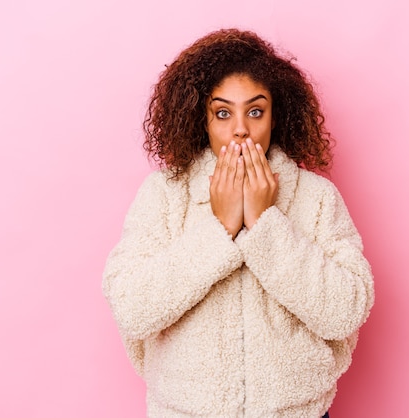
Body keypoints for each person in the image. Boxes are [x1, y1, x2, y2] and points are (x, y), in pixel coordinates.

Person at [103, 28, 374, 418]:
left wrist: (265, 224)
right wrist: (219, 228)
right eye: (223, 112)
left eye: (256, 111)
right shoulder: (164, 194)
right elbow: (131, 308)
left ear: (276, 116)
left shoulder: (316, 197)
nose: (241, 128)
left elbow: (346, 311)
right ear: (203, 119)